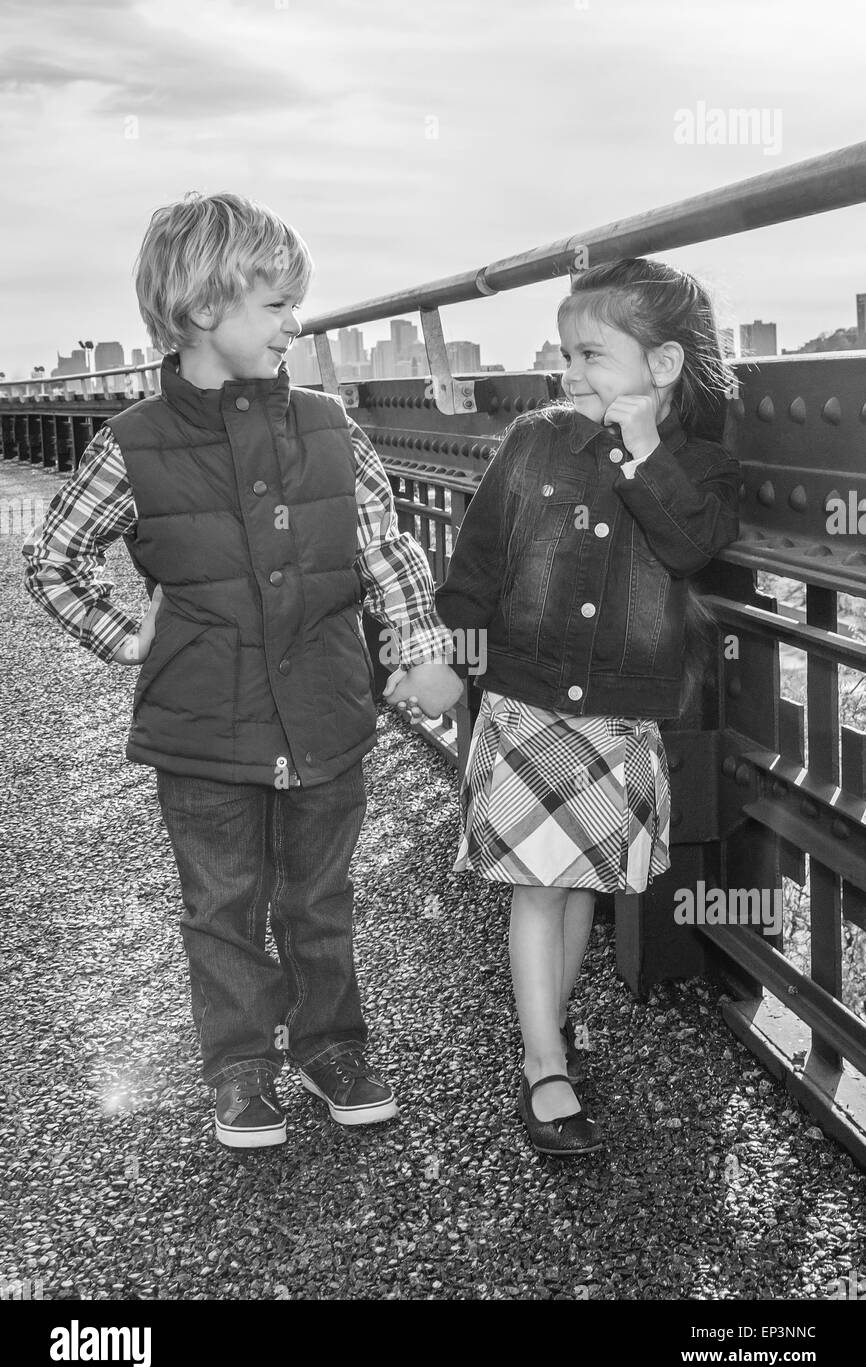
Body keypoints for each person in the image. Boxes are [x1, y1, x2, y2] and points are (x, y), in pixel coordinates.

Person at [23, 191, 462, 1148]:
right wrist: (124, 638)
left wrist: (422, 647)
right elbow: (51, 559)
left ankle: (331, 1043)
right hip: (202, 728)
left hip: (325, 709)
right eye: (276, 305)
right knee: (221, 906)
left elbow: (387, 553)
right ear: (203, 308)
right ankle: (238, 1066)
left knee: (319, 895)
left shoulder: (330, 426)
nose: (295, 323)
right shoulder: (130, 444)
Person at [422, 258, 741, 1156]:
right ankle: (543, 1065)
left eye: (594, 356)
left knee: (579, 890)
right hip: (523, 703)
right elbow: (476, 567)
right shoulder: (537, 440)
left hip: (618, 714)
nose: (574, 375)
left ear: (665, 364)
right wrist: (459, 665)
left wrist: (646, 456)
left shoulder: (703, 467)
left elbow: (691, 548)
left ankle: (549, 1034)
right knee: (539, 887)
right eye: (568, 355)